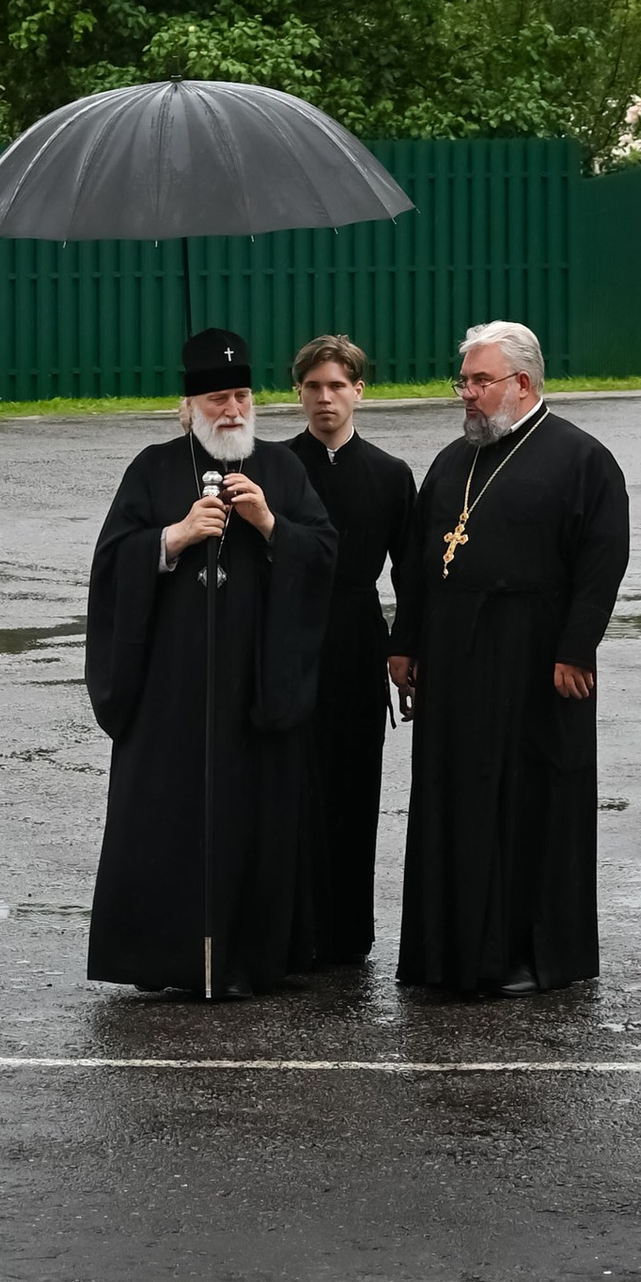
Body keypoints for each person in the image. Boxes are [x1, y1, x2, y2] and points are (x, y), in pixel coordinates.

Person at [86, 327, 336, 998]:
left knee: (254, 822)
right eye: (220, 398)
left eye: (243, 396)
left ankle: (250, 960)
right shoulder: (152, 469)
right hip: (172, 697)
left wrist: (271, 526)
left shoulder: (282, 471)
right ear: (188, 405)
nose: (233, 410)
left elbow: (323, 556)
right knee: (171, 822)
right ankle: (168, 961)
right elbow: (111, 567)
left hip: (255, 692)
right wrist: (174, 537)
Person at [392, 318, 631, 996]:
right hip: (454, 659)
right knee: (453, 802)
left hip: (535, 662)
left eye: (479, 380)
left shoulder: (582, 460)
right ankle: (449, 952)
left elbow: (600, 561)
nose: (465, 393)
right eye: (463, 380)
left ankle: (530, 955)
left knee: (531, 801)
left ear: (522, 383)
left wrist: (576, 647)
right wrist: (405, 643)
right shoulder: (451, 462)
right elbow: (416, 563)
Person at [286, 334, 417, 967]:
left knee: (353, 785)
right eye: (313, 387)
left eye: (337, 385)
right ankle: (289, 930)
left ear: (359, 390)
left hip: (358, 639)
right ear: (299, 393)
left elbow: (412, 574)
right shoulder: (271, 466)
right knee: (289, 785)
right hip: (285, 640)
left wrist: (405, 647)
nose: (325, 398)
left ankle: (346, 935)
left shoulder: (391, 476)